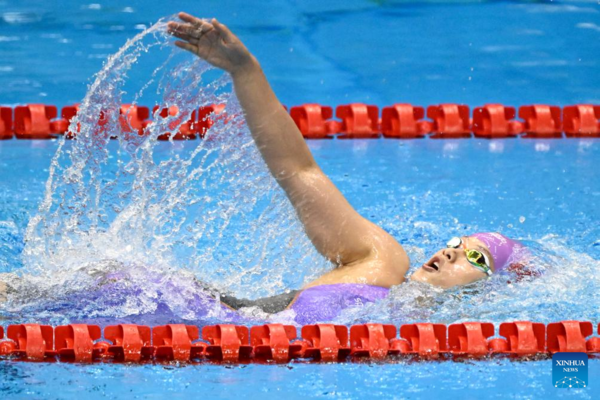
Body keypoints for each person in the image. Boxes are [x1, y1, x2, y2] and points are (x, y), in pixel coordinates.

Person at [163, 13, 529, 325]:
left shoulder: (418, 337)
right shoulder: (381, 261)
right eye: (455, 244)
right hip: (175, 305)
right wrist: (246, 71)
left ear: (491, 291)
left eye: (475, 258)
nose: (450, 252)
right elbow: (299, 171)